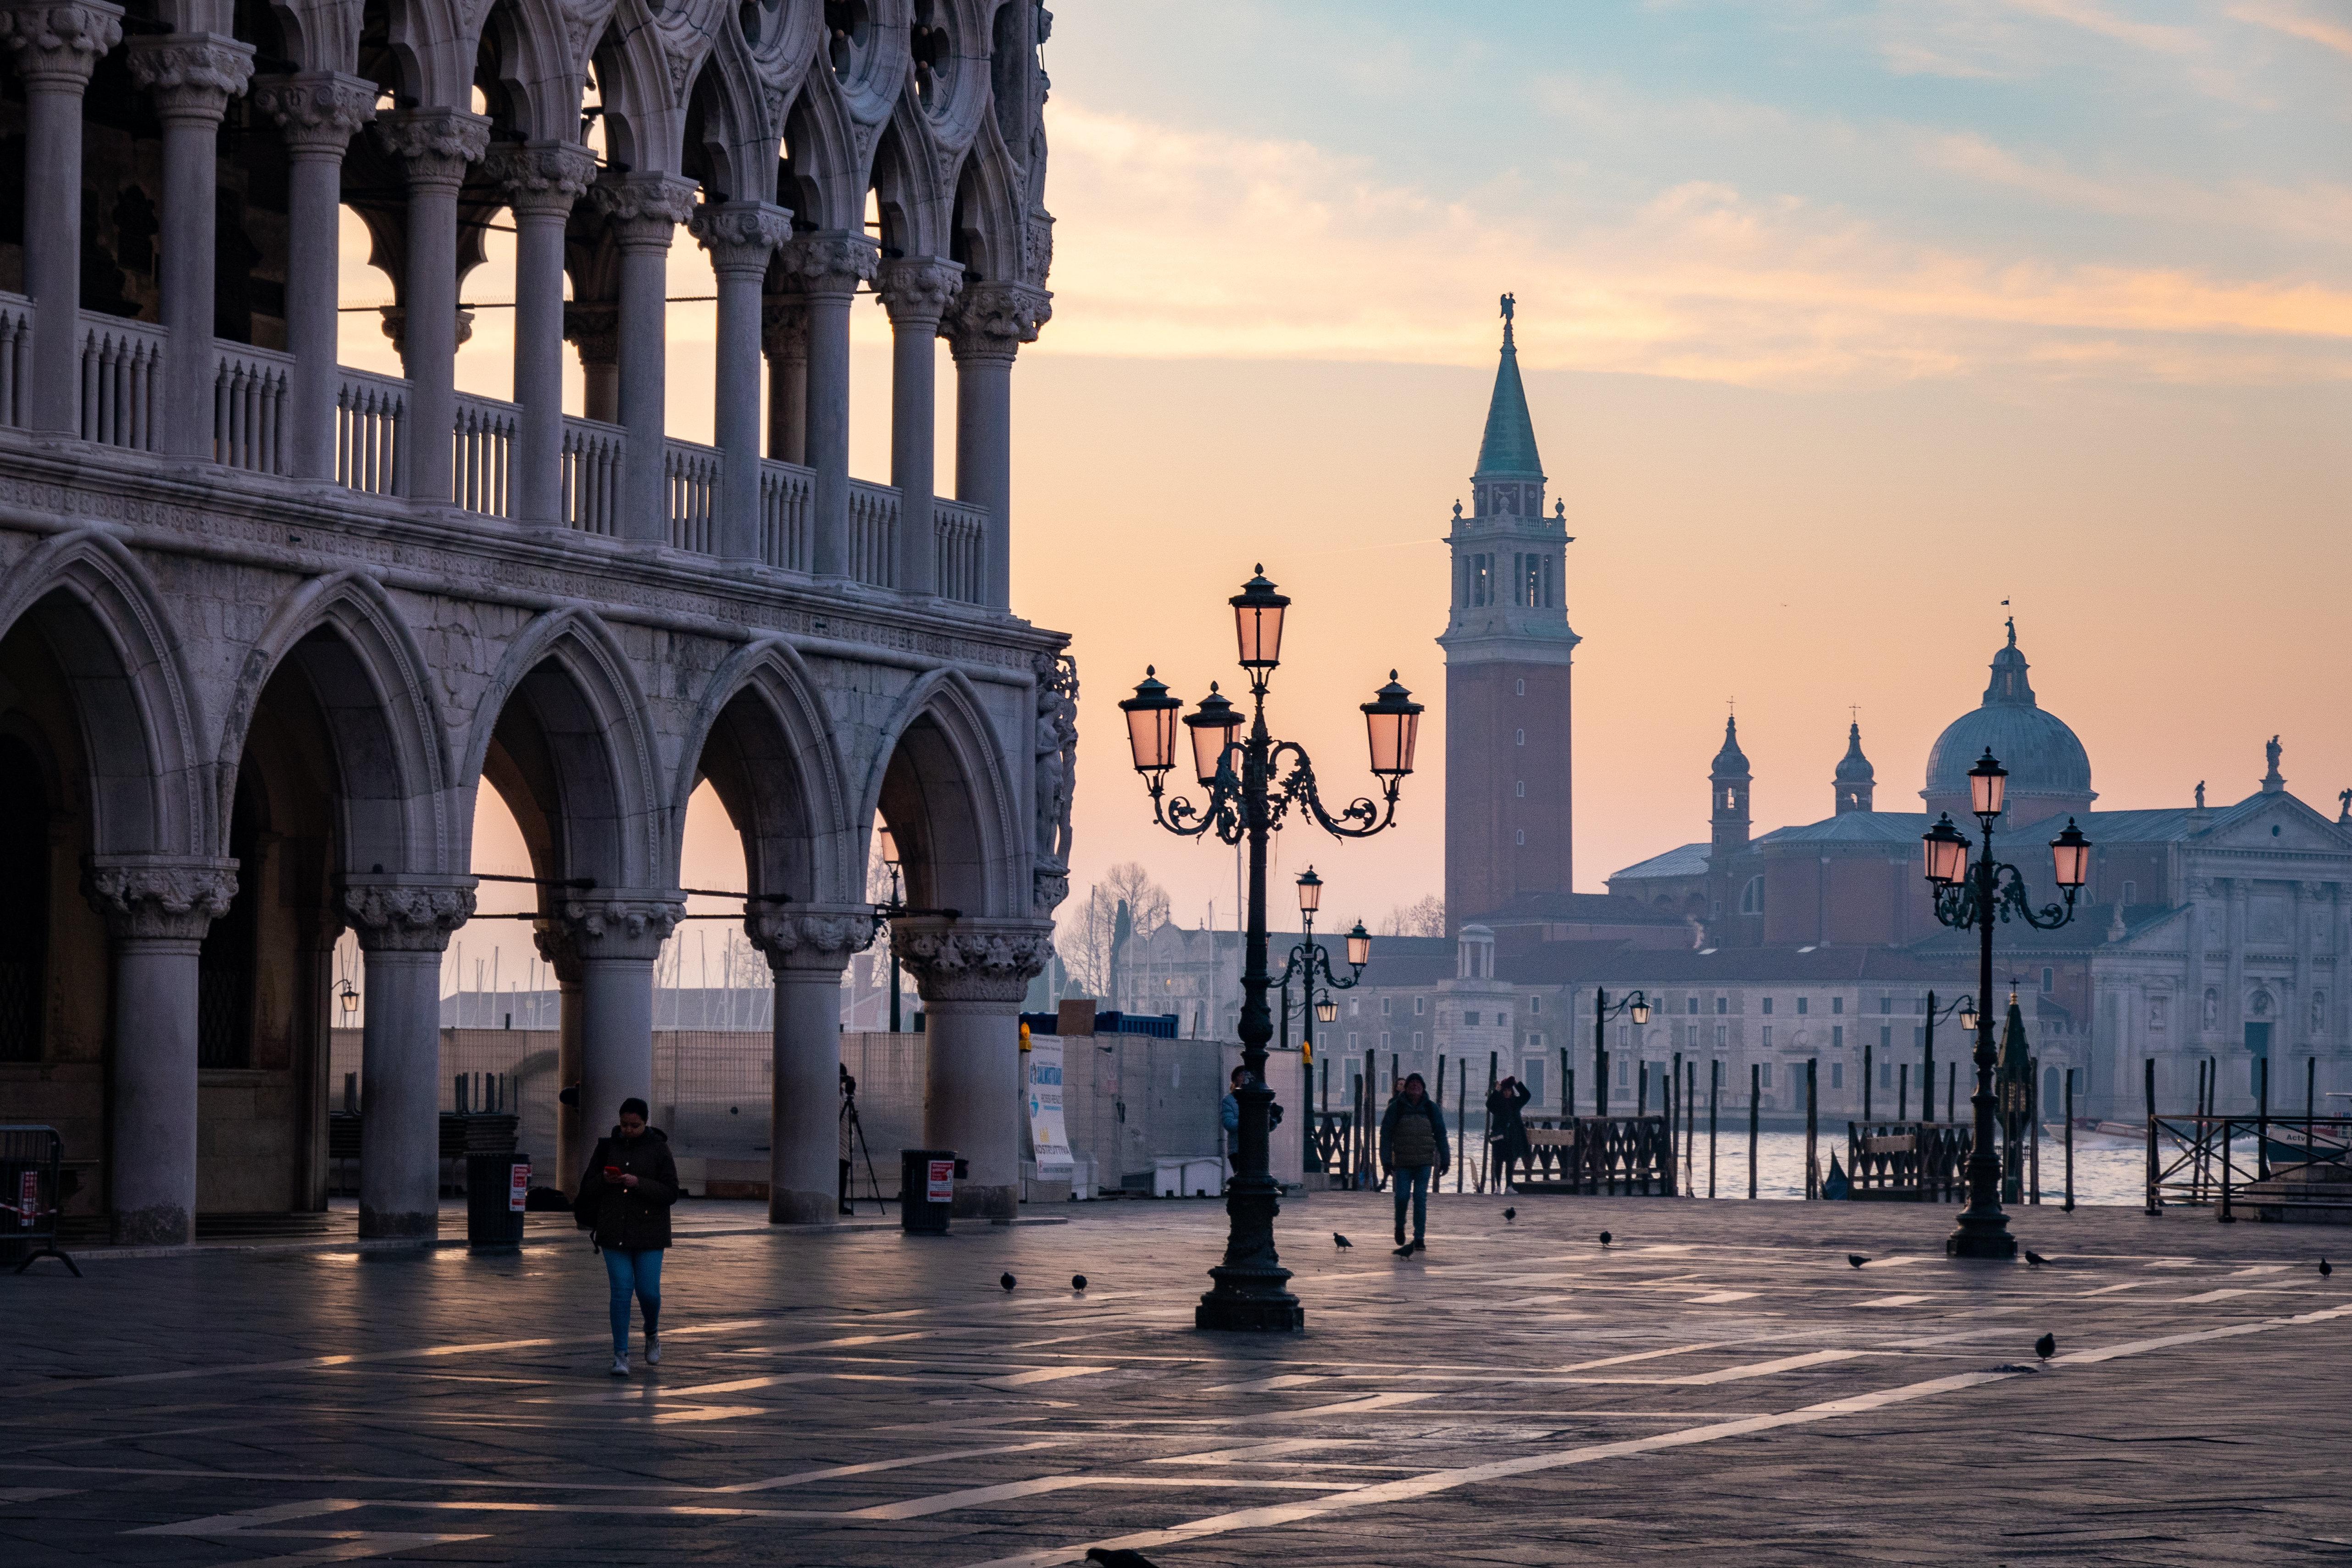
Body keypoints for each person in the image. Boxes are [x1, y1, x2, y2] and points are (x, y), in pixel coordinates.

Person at [574, 1097, 677, 1377]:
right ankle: (621, 1355)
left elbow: (671, 1192)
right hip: (613, 1231)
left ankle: (652, 1333)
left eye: (636, 1125)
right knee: (621, 1292)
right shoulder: (607, 1147)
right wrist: (604, 1181)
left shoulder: (659, 1148)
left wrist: (639, 1183)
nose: (629, 1130)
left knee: (649, 1292)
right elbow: (587, 1188)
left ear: (646, 1123)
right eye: (624, 1125)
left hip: (649, 1233)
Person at [1378, 1072, 1448, 1257]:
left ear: (1424, 1088)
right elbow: (1385, 1135)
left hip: (1425, 1161)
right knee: (1401, 1197)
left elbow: (1441, 1134)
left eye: (1419, 1084)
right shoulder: (1396, 1108)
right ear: (1407, 1088)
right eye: (1412, 1085)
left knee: (1420, 1199)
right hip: (1402, 1161)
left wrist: (1446, 1159)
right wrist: (1386, 1160)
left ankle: (1419, 1238)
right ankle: (1400, 1226)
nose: (1416, 1087)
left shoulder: (1431, 1109)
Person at [1487, 1074, 1532, 1192]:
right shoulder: (1498, 1103)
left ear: (1512, 1092)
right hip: (1500, 1136)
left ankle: (1509, 1186)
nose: (1507, 1093)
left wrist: (1517, 1084)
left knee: (1510, 1161)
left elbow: (1527, 1095)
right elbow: (1489, 1105)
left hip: (1512, 1136)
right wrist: (1496, 1091)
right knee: (1499, 1161)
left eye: (1509, 1091)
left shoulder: (1516, 1102)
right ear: (1502, 1092)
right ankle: (1498, 1187)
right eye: (1505, 1091)